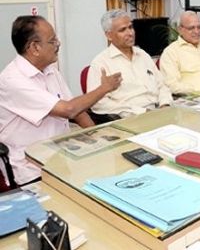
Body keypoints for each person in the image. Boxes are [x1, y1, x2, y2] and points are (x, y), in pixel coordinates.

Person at [0, 15, 122, 185]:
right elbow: (68, 110)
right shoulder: (12, 80)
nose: (58, 44)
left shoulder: (50, 70)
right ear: (34, 47)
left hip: (62, 155)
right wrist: (104, 88)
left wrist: (101, 142)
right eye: (52, 41)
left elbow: (78, 111)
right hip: (31, 169)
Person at [87, 10, 173, 118]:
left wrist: (165, 104)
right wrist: (139, 112)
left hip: (160, 112)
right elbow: (98, 103)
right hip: (132, 117)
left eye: (131, 27)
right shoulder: (101, 63)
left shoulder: (143, 55)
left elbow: (162, 85)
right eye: (122, 30)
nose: (130, 33)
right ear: (109, 35)